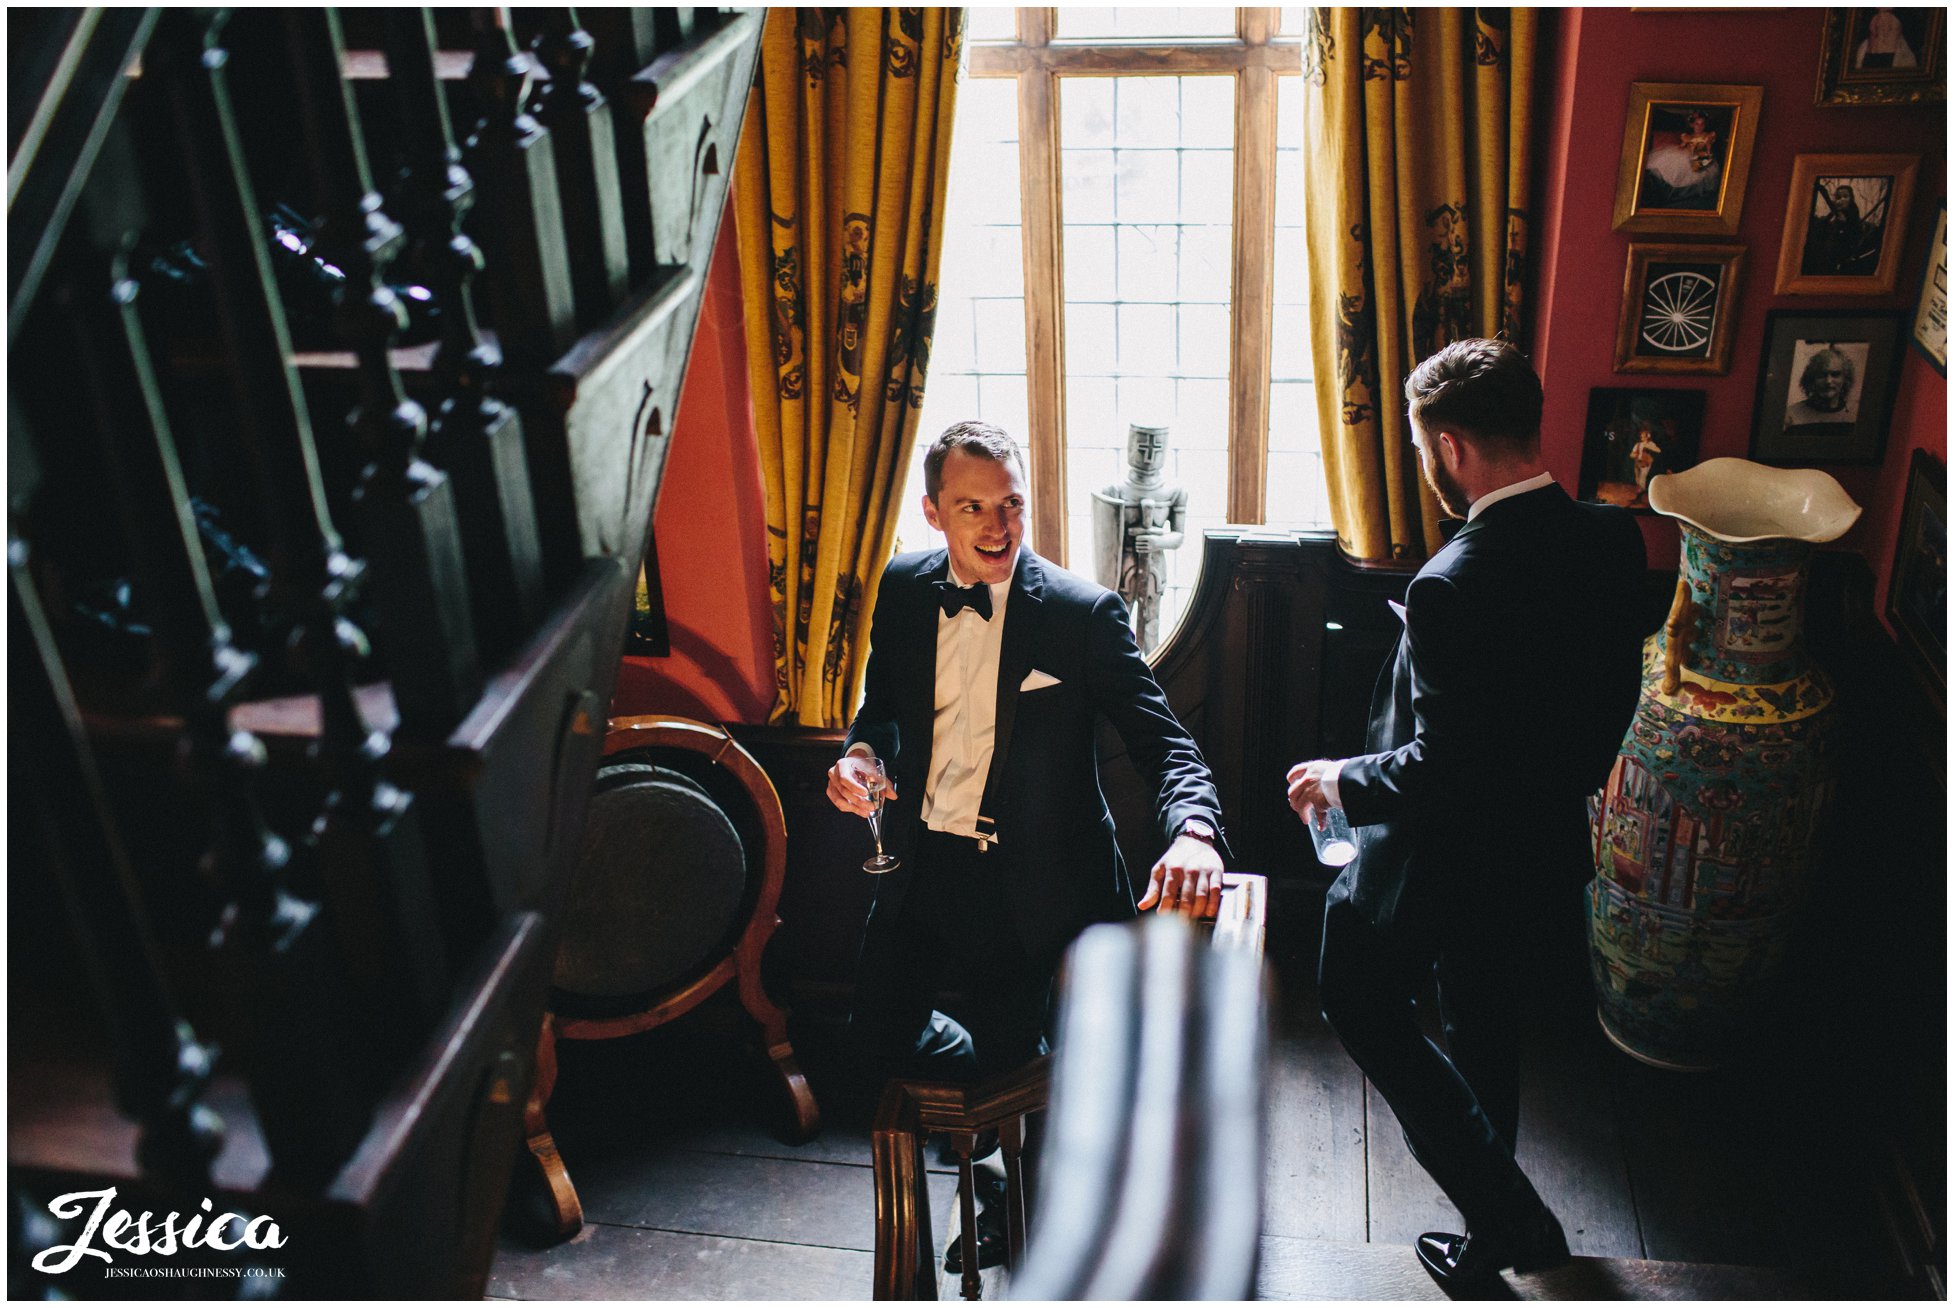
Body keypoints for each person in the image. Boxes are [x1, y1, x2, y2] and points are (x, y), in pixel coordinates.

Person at [1285, 339, 1647, 1290]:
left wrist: (1340, 779)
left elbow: (1446, 763)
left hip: (1443, 863)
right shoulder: (1615, 541)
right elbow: (1598, 707)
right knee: (1485, 1027)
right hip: (1543, 849)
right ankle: (1493, 1232)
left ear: (1448, 448)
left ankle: (1512, 1217)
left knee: (1356, 996)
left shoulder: (1454, 583)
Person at [827, 420, 1227, 1266]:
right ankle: (982, 1094)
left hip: (1038, 890)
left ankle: (1019, 1213)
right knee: (873, 1044)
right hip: (921, 873)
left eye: (1011, 504)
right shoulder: (902, 588)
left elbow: (1168, 746)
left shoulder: (1082, 617)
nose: (999, 527)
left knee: (1025, 1071)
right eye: (974, 507)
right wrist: (860, 756)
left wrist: (1194, 832)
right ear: (934, 514)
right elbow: (882, 714)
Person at [1785, 345, 1860, 427]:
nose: (1828, 381)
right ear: (1811, 379)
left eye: (1835, 374)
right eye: (1821, 375)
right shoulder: (1792, 415)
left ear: (1846, 379)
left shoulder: (1855, 414)